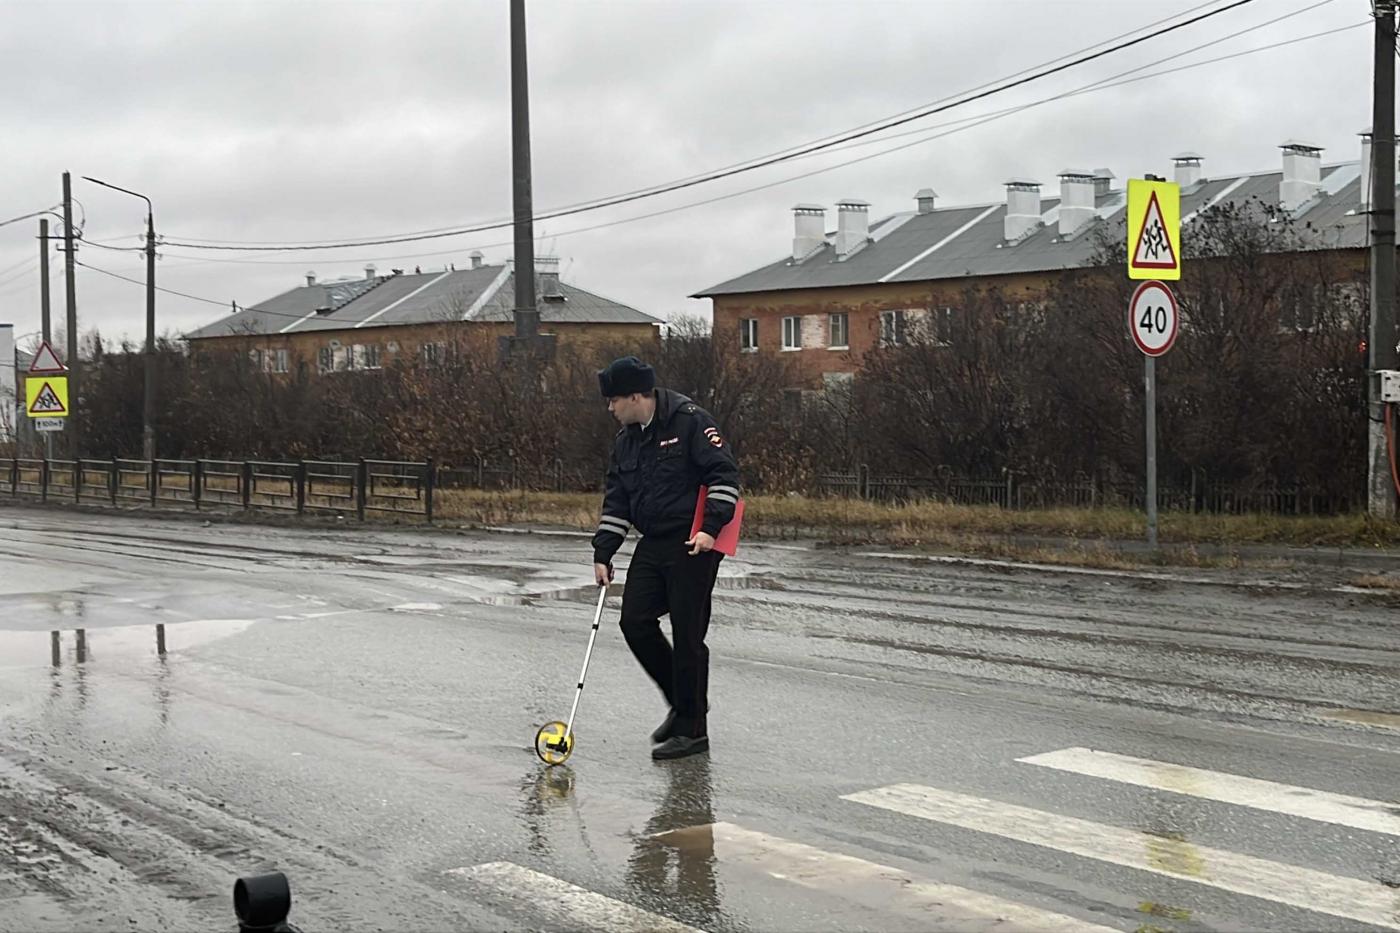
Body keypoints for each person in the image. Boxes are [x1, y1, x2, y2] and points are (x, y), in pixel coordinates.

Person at [591, 356, 740, 761]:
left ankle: (693, 732)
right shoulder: (627, 440)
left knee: (688, 636)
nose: (610, 408)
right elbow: (617, 500)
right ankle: (684, 701)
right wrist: (604, 551)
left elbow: (725, 477)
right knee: (634, 622)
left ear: (636, 396)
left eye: (614, 400)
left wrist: (710, 528)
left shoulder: (690, 422)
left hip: (694, 543)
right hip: (654, 541)